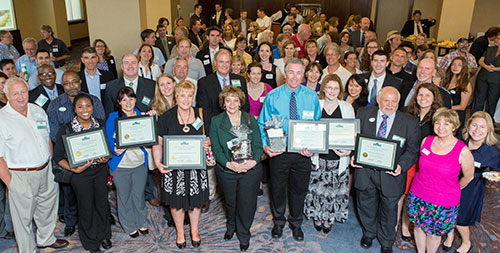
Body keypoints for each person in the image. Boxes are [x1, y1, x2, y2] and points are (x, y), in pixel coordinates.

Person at [0, 78, 69, 252]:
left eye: (23, 92)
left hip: (45, 169)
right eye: (15, 93)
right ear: (6, 95)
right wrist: (11, 184)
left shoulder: (38, 110)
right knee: (22, 219)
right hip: (20, 175)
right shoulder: (2, 119)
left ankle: (46, 239)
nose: (21, 97)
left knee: (48, 208)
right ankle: (27, 249)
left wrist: (51, 164)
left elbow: (46, 139)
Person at [258, 58, 321, 242]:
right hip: (279, 152)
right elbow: (262, 123)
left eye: (298, 73)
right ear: (285, 74)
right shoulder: (273, 96)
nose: (294, 77)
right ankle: (278, 221)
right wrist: (265, 146)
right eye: (291, 72)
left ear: (304, 75)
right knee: (277, 189)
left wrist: (314, 147)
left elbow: (317, 124)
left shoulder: (311, 97)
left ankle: (296, 222)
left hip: (303, 153)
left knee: (299, 190)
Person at [351, 86, 420, 253]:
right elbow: (353, 139)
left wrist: (401, 165)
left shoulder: (409, 122)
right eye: (386, 100)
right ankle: (369, 232)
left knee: (389, 210)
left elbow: (413, 150)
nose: (390, 105)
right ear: (378, 100)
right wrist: (354, 155)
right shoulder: (363, 114)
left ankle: (386, 241)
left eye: (394, 101)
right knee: (365, 205)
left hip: (391, 175)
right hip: (366, 172)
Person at [407, 108, 474, 253]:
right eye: (438, 123)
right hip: (418, 194)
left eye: (446, 124)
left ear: (454, 126)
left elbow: (468, 177)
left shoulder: (462, 150)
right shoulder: (426, 141)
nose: (441, 127)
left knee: (433, 234)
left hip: (442, 201)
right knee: (418, 226)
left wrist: (453, 189)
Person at [152, 80, 209, 248]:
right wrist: (157, 162)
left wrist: (207, 143)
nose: (186, 99)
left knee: (196, 202)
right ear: (176, 97)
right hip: (173, 169)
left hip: (195, 168)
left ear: (193, 96)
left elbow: (208, 138)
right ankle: (180, 232)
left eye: (189, 95)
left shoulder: (201, 115)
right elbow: (158, 142)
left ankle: (194, 231)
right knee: (176, 203)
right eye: (182, 95)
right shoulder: (166, 117)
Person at [53, 93, 112, 252]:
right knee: (86, 207)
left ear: (93, 107)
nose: (85, 110)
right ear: (74, 109)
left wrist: (107, 157)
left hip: (99, 171)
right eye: (80, 106)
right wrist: (74, 168)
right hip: (80, 175)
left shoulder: (99, 123)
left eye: (88, 106)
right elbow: (57, 157)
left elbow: (106, 147)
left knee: (102, 204)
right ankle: (91, 242)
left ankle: (105, 235)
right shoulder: (66, 129)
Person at [210, 86, 263, 251]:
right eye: (228, 100)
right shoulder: (216, 121)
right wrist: (228, 164)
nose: (232, 103)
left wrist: (253, 162)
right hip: (227, 170)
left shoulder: (249, 119)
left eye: (235, 100)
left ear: (240, 102)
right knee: (231, 202)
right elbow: (217, 149)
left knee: (247, 203)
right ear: (223, 103)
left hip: (250, 170)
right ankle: (231, 224)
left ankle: (244, 233)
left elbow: (258, 145)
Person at [442, 111, 500, 253]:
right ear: (468, 126)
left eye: (482, 127)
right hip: (452, 181)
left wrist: (493, 175)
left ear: (488, 131)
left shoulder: (492, 152)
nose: (477, 130)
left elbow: (497, 171)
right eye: (474, 125)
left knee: (461, 216)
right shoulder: (460, 140)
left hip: (471, 187)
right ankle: (449, 236)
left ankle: (466, 242)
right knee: (448, 211)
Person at [304, 74, 355, 233]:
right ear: (323, 88)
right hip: (319, 158)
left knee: (333, 192)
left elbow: (353, 133)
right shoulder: (315, 104)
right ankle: (318, 216)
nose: (332, 91)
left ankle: (328, 218)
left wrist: (349, 150)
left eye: (336, 88)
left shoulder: (347, 107)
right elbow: (307, 129)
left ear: (340, 90)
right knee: (318, 190)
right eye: (329, 87)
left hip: (338, 158)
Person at [400, 82, 443, 241]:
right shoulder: (407, 112)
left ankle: (410, 224)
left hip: (426, 163)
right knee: (403, 193)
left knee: (415, 196)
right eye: (420, 94)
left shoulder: (438, 118)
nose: (423, 98)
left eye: (427, 95)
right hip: (407, 158)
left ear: (434, 98)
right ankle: (402, 224)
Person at [105, 87, 150, 238]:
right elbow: (108, 140)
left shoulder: (143, 116)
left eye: (131, 98)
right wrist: (114, 150)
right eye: (124, 99)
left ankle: (141, 221)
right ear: (119, 102)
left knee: (138, 195)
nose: (128, 102)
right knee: (124, 196)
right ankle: (129, 224)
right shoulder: (113, 117)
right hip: (121, 165)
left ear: (135, 99)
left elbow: (150, 137)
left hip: (139, 164)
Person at [471, 31, 500, 119]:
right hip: (483, 76)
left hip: (496, 79)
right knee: (479, 98)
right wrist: (486, 66)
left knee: (491, 101)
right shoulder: (490, 49)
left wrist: (495, 69)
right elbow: (480, 60)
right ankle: (474, 117)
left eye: (498, 39)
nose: (496, 40)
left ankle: (488, 120)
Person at [442, 57, 472, 127]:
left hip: (456, 116)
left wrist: (446, 107)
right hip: (444, 113)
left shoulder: (466, 84)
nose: (455, 67)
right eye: (453, 64)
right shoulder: (446, 80)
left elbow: (462, 106)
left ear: (463, 67)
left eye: (459, 65)